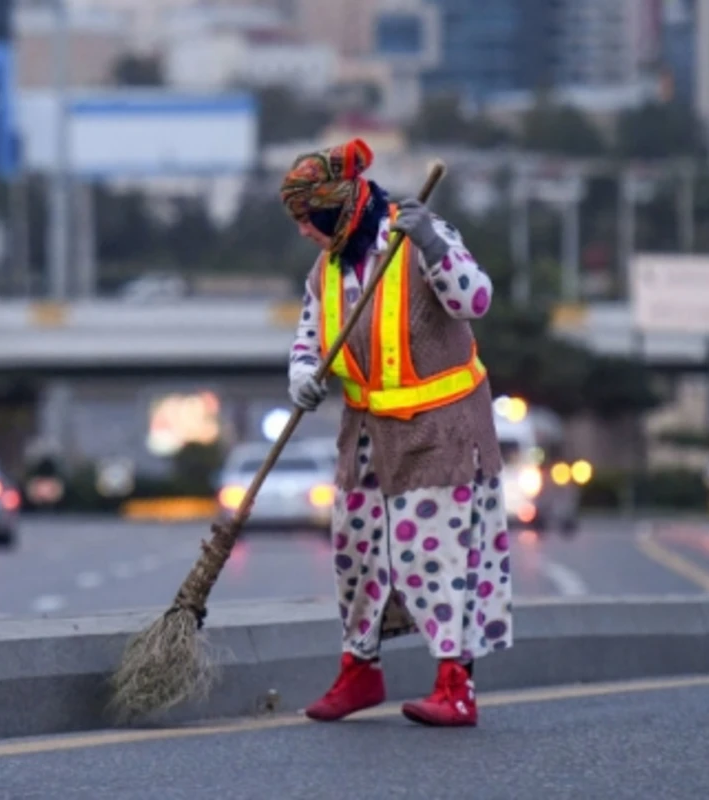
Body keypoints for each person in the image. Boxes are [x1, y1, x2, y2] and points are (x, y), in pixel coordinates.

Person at [279, 138, 512, 727]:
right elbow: (310, 338)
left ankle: (454, 684)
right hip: (366, 432)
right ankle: (360, 671)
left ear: (336, 209)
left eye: (310, 219)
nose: (305, 231)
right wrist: (305, 375)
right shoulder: (327, 268)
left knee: (432, 555)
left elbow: (475, 298)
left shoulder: (415, 239)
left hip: (441, 427)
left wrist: (433, 242)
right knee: (357, 554)